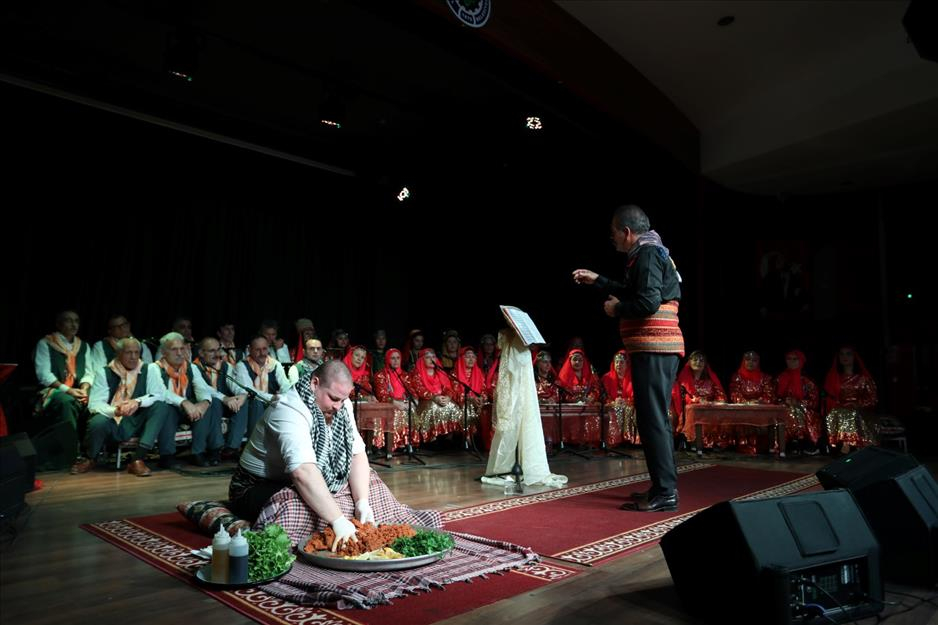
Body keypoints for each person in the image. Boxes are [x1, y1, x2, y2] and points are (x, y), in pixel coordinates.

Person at [229, 361, 438, 548]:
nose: (338, 406)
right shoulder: (288, 408)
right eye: (333, 398)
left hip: (306, 477)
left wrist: (362, 503)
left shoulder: (341, 404)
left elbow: (357, 455)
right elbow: (302, 472)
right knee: (300, 506)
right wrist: (337, 520)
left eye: (343, 399)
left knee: (371, 483)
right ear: (314, 384)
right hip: (254, 486)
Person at [573, 204, 684, 512]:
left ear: (626, 232)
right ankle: (662, 487)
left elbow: (647, 302)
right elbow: (634, 290)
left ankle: (666, 492)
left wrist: (617, 309)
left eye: (613, 234)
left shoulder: (647, 253)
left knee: (653, 420)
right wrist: (598, 280)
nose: (612, 239)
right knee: (653, 419)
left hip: (655, 347)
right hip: (653, 349)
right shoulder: (650, 251)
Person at [73, 338, 164, 476]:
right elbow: (95, 404)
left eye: (136, 352)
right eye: (128, 352)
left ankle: (137, 459)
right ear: (118, 353)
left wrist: (137, 402)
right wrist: (116, 410)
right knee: (98, 421)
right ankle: (90, 458)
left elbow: (158, 394)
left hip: (137, 419)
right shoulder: (104, 372)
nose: (133, 357)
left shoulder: (149, 369)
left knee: (160, 406)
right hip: (114, 420)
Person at [33, 310, 94, 468]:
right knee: (66, 402)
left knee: (95, 400)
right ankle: (71, 453)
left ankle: (91, 453)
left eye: (76, 321)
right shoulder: (46, 343)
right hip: (53, 390)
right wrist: (68, 390)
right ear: (59, 324)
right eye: (68, 320)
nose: (73, 325)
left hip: (77, 389)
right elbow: (44, 375)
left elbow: (89, 372)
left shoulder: (83, 346)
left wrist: (84, 388)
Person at [193, 337, 247, 465]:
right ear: (201, 353)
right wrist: (225, 398)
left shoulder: (225, 366)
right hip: (205, 405)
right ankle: (215, 449)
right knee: (214, 402)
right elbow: (205, 389)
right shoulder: (194, 367)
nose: (217, 354)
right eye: (212, 351)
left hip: (225, 404)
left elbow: (235, 385)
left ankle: (231, 448)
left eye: (218, 350)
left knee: (243, 403)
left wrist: (241, 395)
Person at [823, 346, 877, 451]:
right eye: (842, 354)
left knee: (849, 413)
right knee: (836, 413)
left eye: (848, 354)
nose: (845, 357)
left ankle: (847, 446)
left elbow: (873, 399)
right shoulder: (834, 377)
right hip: (839, 410)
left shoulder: (863, 378)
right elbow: (829, 397)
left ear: (854, 357)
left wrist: (858, 404)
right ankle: (842, 445)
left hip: (861, 412)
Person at [671, 350, 726, 448]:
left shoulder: (710, 381)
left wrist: (717, 402)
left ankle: (715, 443)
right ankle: (695, 442)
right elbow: (683, 398)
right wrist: (698, 401)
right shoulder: (684, 380)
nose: (698, 362)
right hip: (692, 410)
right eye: (695, 360)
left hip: (710, 408)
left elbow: (720, 394)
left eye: (701, 360)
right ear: (689, 362)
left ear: (705, 364)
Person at [776, 349, 820, 454]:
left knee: (796, 411)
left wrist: (798, 403)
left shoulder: (807, 380)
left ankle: (802, 441)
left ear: (801, 361)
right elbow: (773, 397)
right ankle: (786, 443)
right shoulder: (780, 378)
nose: (791, 362)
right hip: (783, 408)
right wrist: (783, 401)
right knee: (786, 411)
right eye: (789, 359)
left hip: (804, 410)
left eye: (795, 359)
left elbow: (814, 401)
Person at [372, 348, 410, 450]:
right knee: (396, 411)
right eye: (392, 358)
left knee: (411, 409)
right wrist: (396, 403)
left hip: (403, 402)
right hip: (388, 404)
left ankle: (407, 442)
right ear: (387, 360)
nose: (396, 361)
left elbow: (411, 391)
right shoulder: (380, 375)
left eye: (398, 358)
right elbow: (382, 395)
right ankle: (394, 443)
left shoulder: (404, 375)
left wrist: (410, 401)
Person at [601, 350, 637, 447]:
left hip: (629, 404)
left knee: (628, 409)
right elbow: (603, 395)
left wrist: (626, 401)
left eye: (621, 362)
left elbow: (637, 395)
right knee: (615, 409)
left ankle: (628, 439)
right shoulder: (607, 378)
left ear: (627, 364)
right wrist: (612, 401)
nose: (618, 365)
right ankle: (614, 440)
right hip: (613, 403)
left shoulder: (633, 377)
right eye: (616, 362)